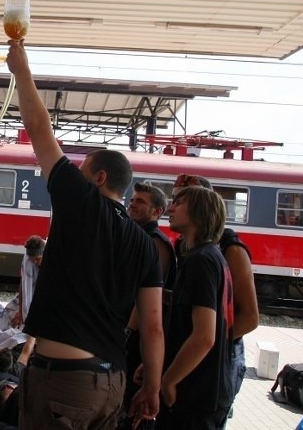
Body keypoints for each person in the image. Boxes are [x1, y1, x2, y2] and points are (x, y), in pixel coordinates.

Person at [6, 39, 164, 429]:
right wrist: (153, 388)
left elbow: (39, 129)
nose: (72, 175)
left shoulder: (82, 203)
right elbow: (153, 327)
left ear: (99, 177)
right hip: (111, 383)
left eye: (81, 170)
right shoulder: (147, 246)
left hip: (64, 383)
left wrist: (22, 71)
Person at [171, 173, 259, 410]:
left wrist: (212, 349)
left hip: (219, 353)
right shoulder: (184, 246)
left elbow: (250, 317)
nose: (171, 207)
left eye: (180, 201)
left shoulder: (230, 248)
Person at [157, 185, 235, 429]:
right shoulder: (211, 256)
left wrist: (169, 380)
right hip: (207, 391)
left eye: (178, 203)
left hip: (194, 394)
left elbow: (203, 337)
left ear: (198, 212)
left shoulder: (200, 261)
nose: (170, 208)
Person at [123, 181, 177, 426]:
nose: (132, 204)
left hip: (138, 338)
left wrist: (127, 332)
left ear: (157, 212)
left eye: (140, 202)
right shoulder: (138, 236)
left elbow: (147, 298)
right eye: (132, 200)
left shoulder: (156, 243)